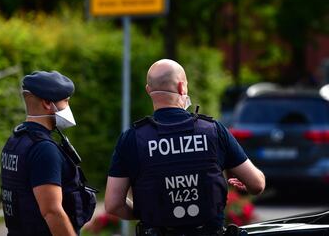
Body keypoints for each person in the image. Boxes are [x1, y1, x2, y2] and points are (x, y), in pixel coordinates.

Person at [105, 59, 265, 236]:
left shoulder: (132, 138)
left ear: (148, 90)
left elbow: (113, 204)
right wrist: (247, 185)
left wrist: (148, 213)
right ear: (182, 88)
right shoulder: (213, 130)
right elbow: (257, 184)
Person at [1, 70, 96, 236]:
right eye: (65, 101)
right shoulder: (43, 149)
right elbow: (52, 211)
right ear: (47, 103)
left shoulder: (16, 141)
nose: (68, 107)